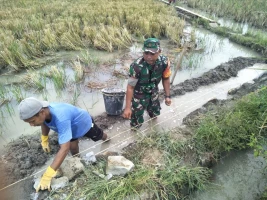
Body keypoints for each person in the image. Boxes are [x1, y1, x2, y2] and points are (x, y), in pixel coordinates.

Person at [18, 97, 109, 191]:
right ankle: (77, 160)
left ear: (42, 112)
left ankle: (108, 138)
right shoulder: (44, 113)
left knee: (98, 135)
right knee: (73, 147)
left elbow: (64, 149)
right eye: (29, 123)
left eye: (32, 121)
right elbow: (44, 123)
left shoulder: (60, 118)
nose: (31, 125)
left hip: (83, 123)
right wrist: (44, 138)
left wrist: (48, 174)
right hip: (70, 128)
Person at [122, 38, 172, 128]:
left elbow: (166, 78)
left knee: (154, 114)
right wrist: (127, 108)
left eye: (152, 53)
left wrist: (167, 96)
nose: (149, 56)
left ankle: (153, 129)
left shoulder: (164, 62)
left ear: (159, 51)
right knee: (136, 122)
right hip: (139, 95)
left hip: (154, 92)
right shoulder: (136, 66)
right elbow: (130, 87)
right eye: (146, 53)